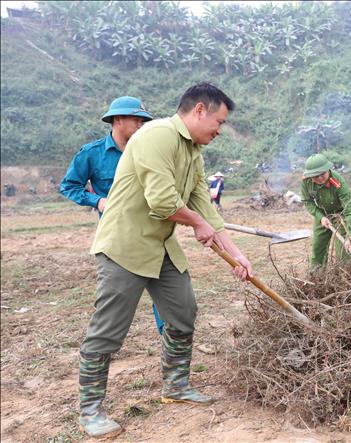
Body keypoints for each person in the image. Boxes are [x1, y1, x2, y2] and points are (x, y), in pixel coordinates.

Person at [77, 83, 254, 438]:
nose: (219, 130)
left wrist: (237, 255)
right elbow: (162, 201)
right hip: (124, 248)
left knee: (183, 311)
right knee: (108, 330)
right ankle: (91, 410)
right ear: (199, 110)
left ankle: (176, 385)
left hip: (160, 248)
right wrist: (199, 224)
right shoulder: (156, 136)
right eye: (218, 121)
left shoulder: (193, 152)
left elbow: (206, 208)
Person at [59, 97, 165, 335]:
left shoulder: (150, 152)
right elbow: (69, 186)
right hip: (118, 239)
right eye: (137, 120)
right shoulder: (92, 154)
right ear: (118, 120)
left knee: (167, 294)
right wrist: (98, 200)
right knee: (113, 304)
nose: (141, 126)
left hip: (154, 232)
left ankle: (170, 341)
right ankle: (100, 351)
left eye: (143, 121)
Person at [300, 153, 351, 267]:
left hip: (341, 215)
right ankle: (317, 278)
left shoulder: (338, 182)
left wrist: (350, 236)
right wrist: (320, 217)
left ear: (328, 169)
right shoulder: (306, 182)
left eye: (322, 174)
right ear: (310, 176)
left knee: (343, 252)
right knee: (317, 248)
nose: (320, 178)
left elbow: (349, 209)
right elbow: (307, 201)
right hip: (322, 214)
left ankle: (345, 278)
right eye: (316, 176)